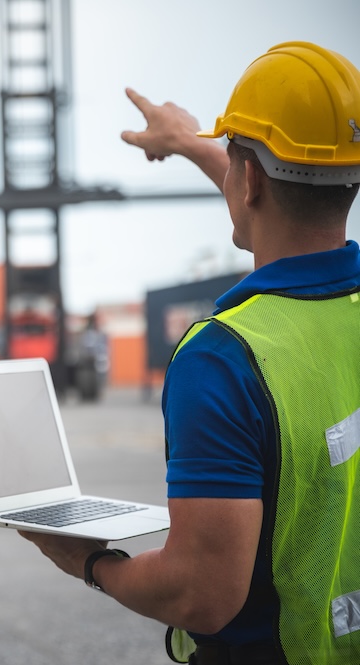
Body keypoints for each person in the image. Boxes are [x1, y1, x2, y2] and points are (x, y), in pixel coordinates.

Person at [19, 41, 360, 665]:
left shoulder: (225, 358)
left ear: (249, 178)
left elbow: (200, 595)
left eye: (235, 163)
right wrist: (189, 142)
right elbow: (282, 210)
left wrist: (90, 562)